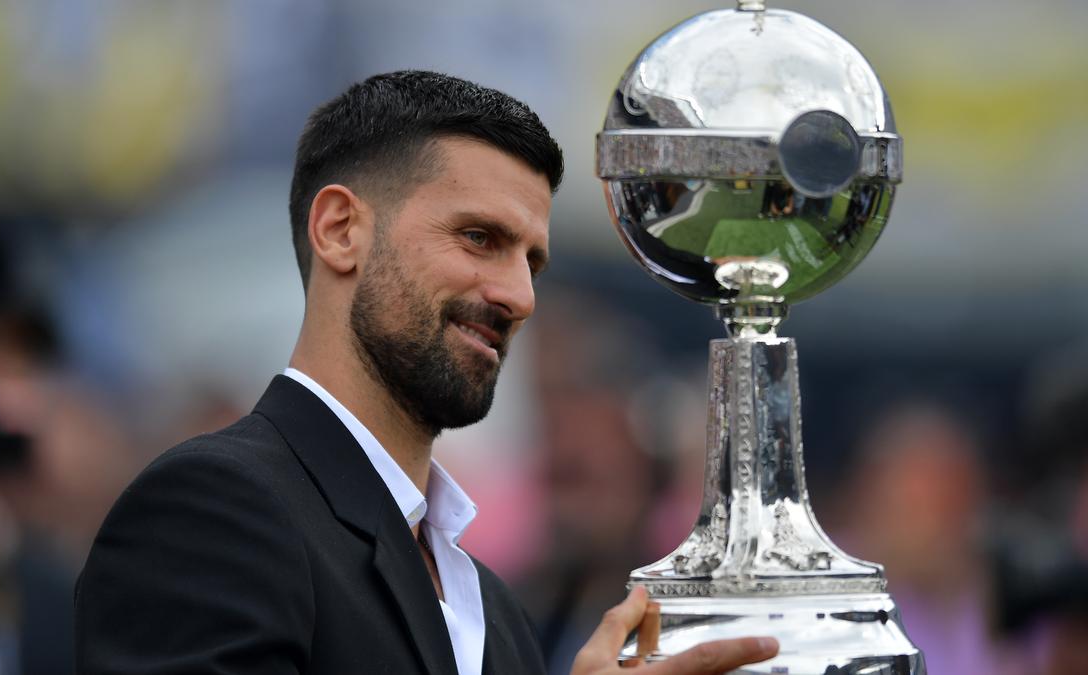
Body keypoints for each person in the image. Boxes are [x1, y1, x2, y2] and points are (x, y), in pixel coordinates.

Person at [74, 70, 779, 675]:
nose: (519, 296)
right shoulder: (213, 512)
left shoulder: (496, 607)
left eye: (531, 262)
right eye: (480, 238)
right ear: (341, 231)